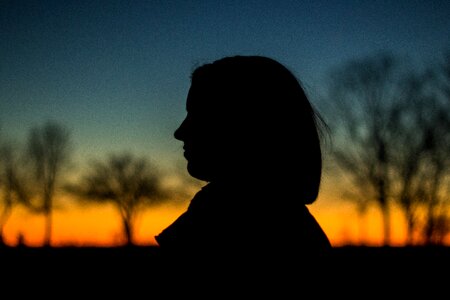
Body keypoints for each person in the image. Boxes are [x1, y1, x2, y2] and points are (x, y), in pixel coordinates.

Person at [155, 55, 332, 271]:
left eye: (199, 115)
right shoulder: (285, 224)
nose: (180, 132)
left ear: (244, 124)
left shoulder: (225, 228)